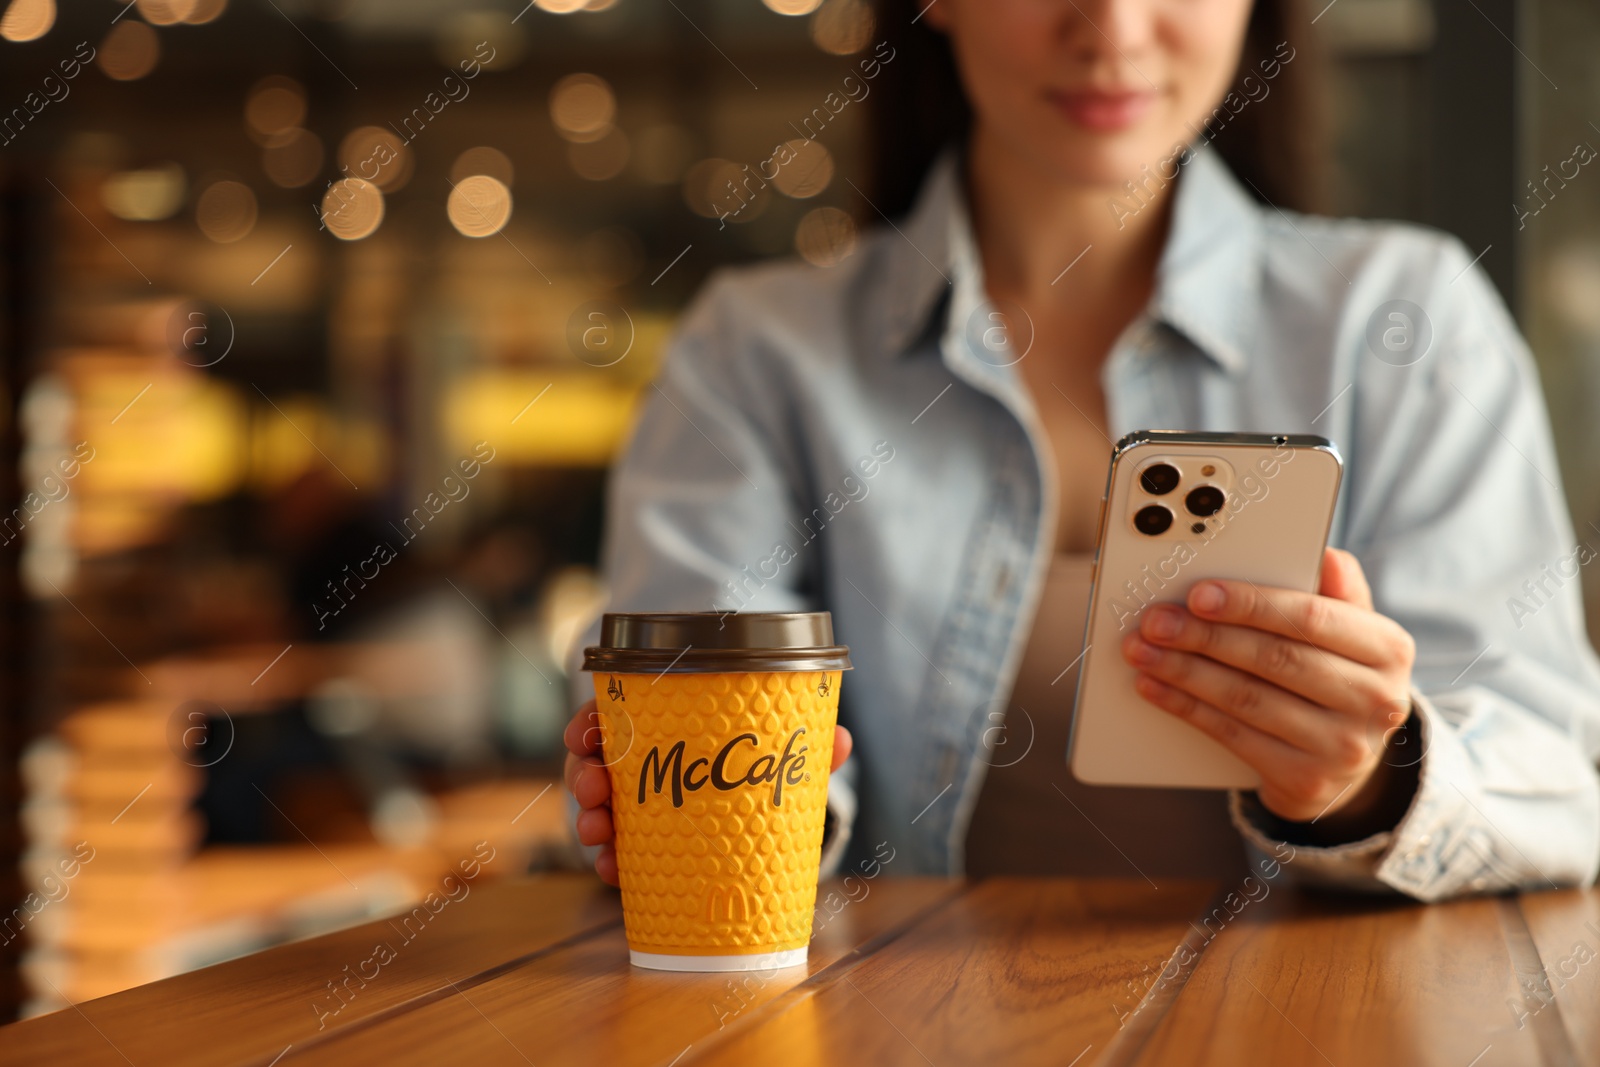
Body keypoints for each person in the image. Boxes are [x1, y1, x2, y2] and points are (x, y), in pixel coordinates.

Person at [564, 0, 1600, 900]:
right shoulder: (756, 351)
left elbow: (1555, 778)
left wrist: (1370, 777)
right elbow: (699, 731)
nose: (1109, 29)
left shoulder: (1402, 319)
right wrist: (705, 810)